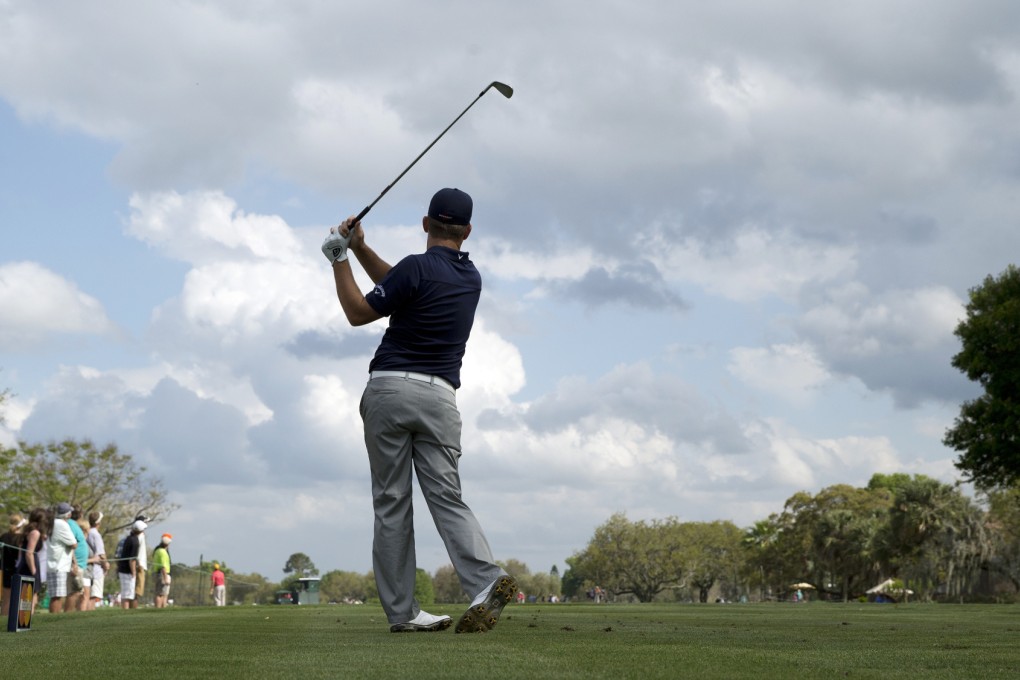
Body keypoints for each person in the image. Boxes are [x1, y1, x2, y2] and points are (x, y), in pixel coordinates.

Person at [324, 187, 517, 633]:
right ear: (467, 231)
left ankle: (404, 612)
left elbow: (359, 311)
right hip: (440, 399)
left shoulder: (415, 268)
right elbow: (400, 284)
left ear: (425, 223)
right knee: (448, 497)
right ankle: (487, 581)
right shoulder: (470, 279)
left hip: (390, 391)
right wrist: (361, 248)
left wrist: (339, 258)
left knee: (392, 503)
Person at [46, 502, 79, 613]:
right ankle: (53, 621)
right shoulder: (62, 524)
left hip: (55, 564)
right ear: (68, 514)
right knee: (57, 596)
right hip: (58, 565)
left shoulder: (54, 522)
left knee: (57, 595)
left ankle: (54, 620)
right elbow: (74, 544)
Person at [15, 508, 48, 616]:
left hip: (28, 564)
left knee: (31, 598)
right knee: (30, 598)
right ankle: (26, 620)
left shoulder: (30, 531)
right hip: (29, 566)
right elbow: (29, 553)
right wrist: (34, 571)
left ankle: (26, 619)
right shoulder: (35, 533)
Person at [1, 513, 27, 617]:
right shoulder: (22, 538)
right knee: (21, 598)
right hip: (19, 570)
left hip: (6, 570)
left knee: (6, 599)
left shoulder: (4, 536)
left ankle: (3, 620)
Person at [117, 520, 145, 609]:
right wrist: (133, 572)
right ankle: (125, 613)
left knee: (127, 594)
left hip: (123, 569)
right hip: (127, 571)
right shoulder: (135, 541)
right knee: (127, 595)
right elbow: (132, 560)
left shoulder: (129, 538)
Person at [68, 505, 90, 611]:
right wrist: (74, 563)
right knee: (74, 592)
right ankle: (67, 617)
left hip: (80, 565)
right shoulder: (71, 525)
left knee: (78, 591)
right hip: (75, 565)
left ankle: (72, 617)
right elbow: (70, 545)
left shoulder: (75, 525)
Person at [86, 511, 108, 610]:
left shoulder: (87, 532)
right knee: (93, 596)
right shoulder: (96, 535)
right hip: (96, 569)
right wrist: (106, 565)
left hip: (89, 568)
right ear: (98, 522)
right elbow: (101, 555)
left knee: (89, 595)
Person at [152, 534, 172, 608]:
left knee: (163, 593)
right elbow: (163, 566)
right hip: (162, 574)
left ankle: (161, 608)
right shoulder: (163, 552)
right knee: (160, 593)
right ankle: (159, 608)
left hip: (158, 573)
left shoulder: (157, 550)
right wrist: (165, 577)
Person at [133, 514, 149, 605]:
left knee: (138, 591)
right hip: (139, 565)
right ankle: (133, 609)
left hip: (140, 565)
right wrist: (139, 564)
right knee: (136, 591)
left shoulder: (140, 535)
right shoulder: (139, 536)